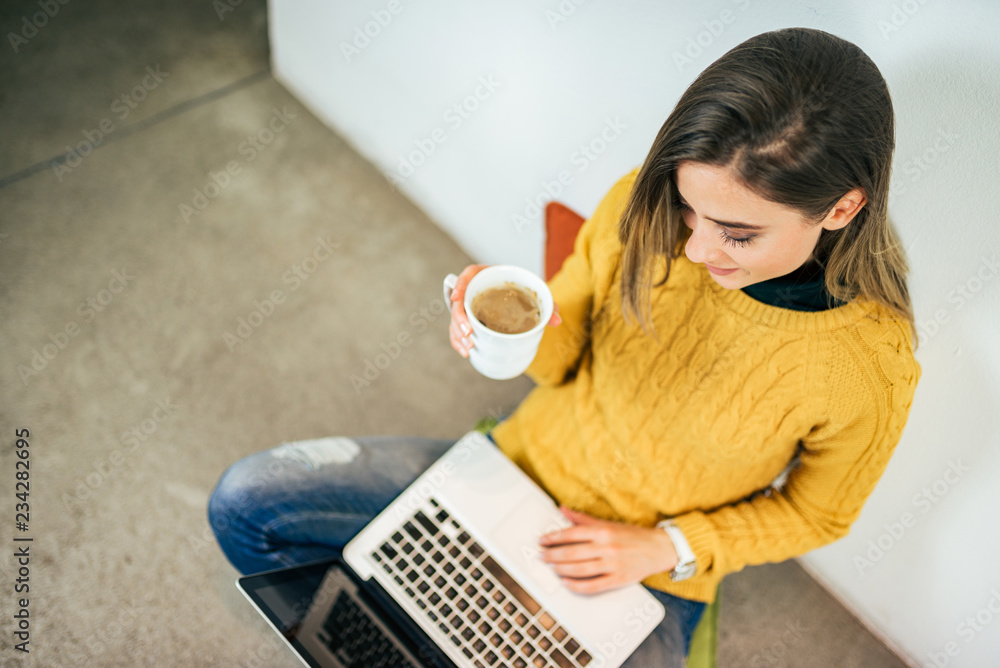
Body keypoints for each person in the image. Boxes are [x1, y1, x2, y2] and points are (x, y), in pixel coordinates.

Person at [208, 27, 920, 667]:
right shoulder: (636, 210)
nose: (698, 248)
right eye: (689, 208)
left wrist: (666, 547)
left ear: (842, 208)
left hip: (642, 564)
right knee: (246, 503)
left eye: (737, 233)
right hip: (517, 469)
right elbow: (559, 360)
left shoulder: (869, 367)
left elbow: (819, 512)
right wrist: (503, 327)